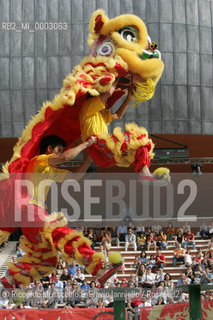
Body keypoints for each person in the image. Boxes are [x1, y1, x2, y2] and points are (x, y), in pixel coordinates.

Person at [1, 135, 122, 288]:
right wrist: (87, 143)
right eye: (58, 149)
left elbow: (76, 176)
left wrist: (89, 156)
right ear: (49, 149)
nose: (61, 153)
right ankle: (99, 270)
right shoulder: (38, 161)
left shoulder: (50, 171)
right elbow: (65, 157)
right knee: (62, 233)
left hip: (30, 220)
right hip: (31, 212)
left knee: (47, 260)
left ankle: (11, 279)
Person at [79, 78, 170, 182]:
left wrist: (129, 96)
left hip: (105, 153)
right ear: (97, 98)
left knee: (141, 145)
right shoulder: (88, 106)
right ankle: (145, 173)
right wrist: (117, 77)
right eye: (105, 101)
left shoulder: (99, 115)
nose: (107, 104)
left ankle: (145, 173)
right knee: (135, 137)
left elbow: (118, 115)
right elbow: (108, 93)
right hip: (97, 147)